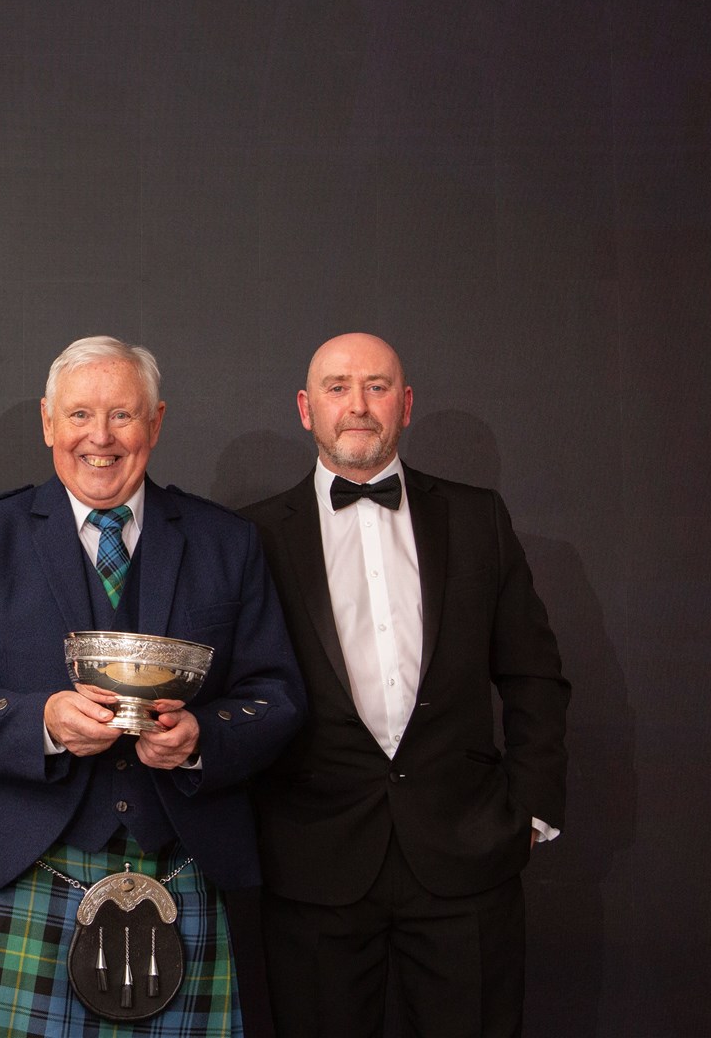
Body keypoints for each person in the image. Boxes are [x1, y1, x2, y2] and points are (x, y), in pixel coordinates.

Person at [0, 335, 305, 1035]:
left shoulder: (226, 541)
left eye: (123, 415)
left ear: (156, 423)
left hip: (186, 871)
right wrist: (44, 721)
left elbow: (277, 697)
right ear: (47, 423)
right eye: (79, 415)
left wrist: (200, 740)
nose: (100, 437)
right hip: (25, 873)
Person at [241, 333, 570, 1038]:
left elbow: (534, 674)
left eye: (378, 386)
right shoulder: (253, 536)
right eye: (336, 387)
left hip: (467, 852)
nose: (357, 405)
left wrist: (531, 812)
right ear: (306, 408)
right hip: (313, 861)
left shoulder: (478, 517)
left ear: (406, 403)